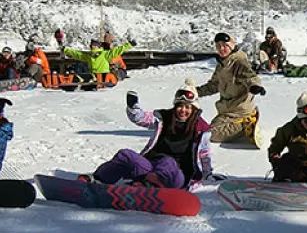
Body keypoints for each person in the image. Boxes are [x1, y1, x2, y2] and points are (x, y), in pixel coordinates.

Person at [80, 82, 214, 191]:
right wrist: (134, 108)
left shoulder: (201, 128)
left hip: (176, 176)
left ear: (194, 108)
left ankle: (150, 186)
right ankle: (98, 179)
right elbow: (143, 119)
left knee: (167, 161)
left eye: (188, 107)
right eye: (180, 106)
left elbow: (204, 154)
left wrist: (207, 174)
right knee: (125, 154)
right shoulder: (164, 118)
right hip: (150, 168)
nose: (183, 110)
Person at [196, 32, 265, 147]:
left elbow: (251, 77)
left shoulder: (239, 62)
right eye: (218, 46)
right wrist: (195, 92)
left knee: (212, 135)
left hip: (239, 109)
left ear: (231, 46)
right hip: (227, 109)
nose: (221, 49)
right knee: (209, 130)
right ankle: (243, 123)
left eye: (224, 45)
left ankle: (246, 125)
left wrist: (255, 86)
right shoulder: (222, 64)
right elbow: (213, 85)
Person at [62, 38, 133, 83]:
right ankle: (83, 78)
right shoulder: (91, 55)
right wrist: (65, 50)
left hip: (102, 76)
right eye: (92, 45)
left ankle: (84, 78)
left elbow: (118, 50)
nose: (93, 46)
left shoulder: (104, 54)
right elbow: (76, 53)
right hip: (99, 76)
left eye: (94, 45)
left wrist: (129, 45)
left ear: (98, 46)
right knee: (82, 65)